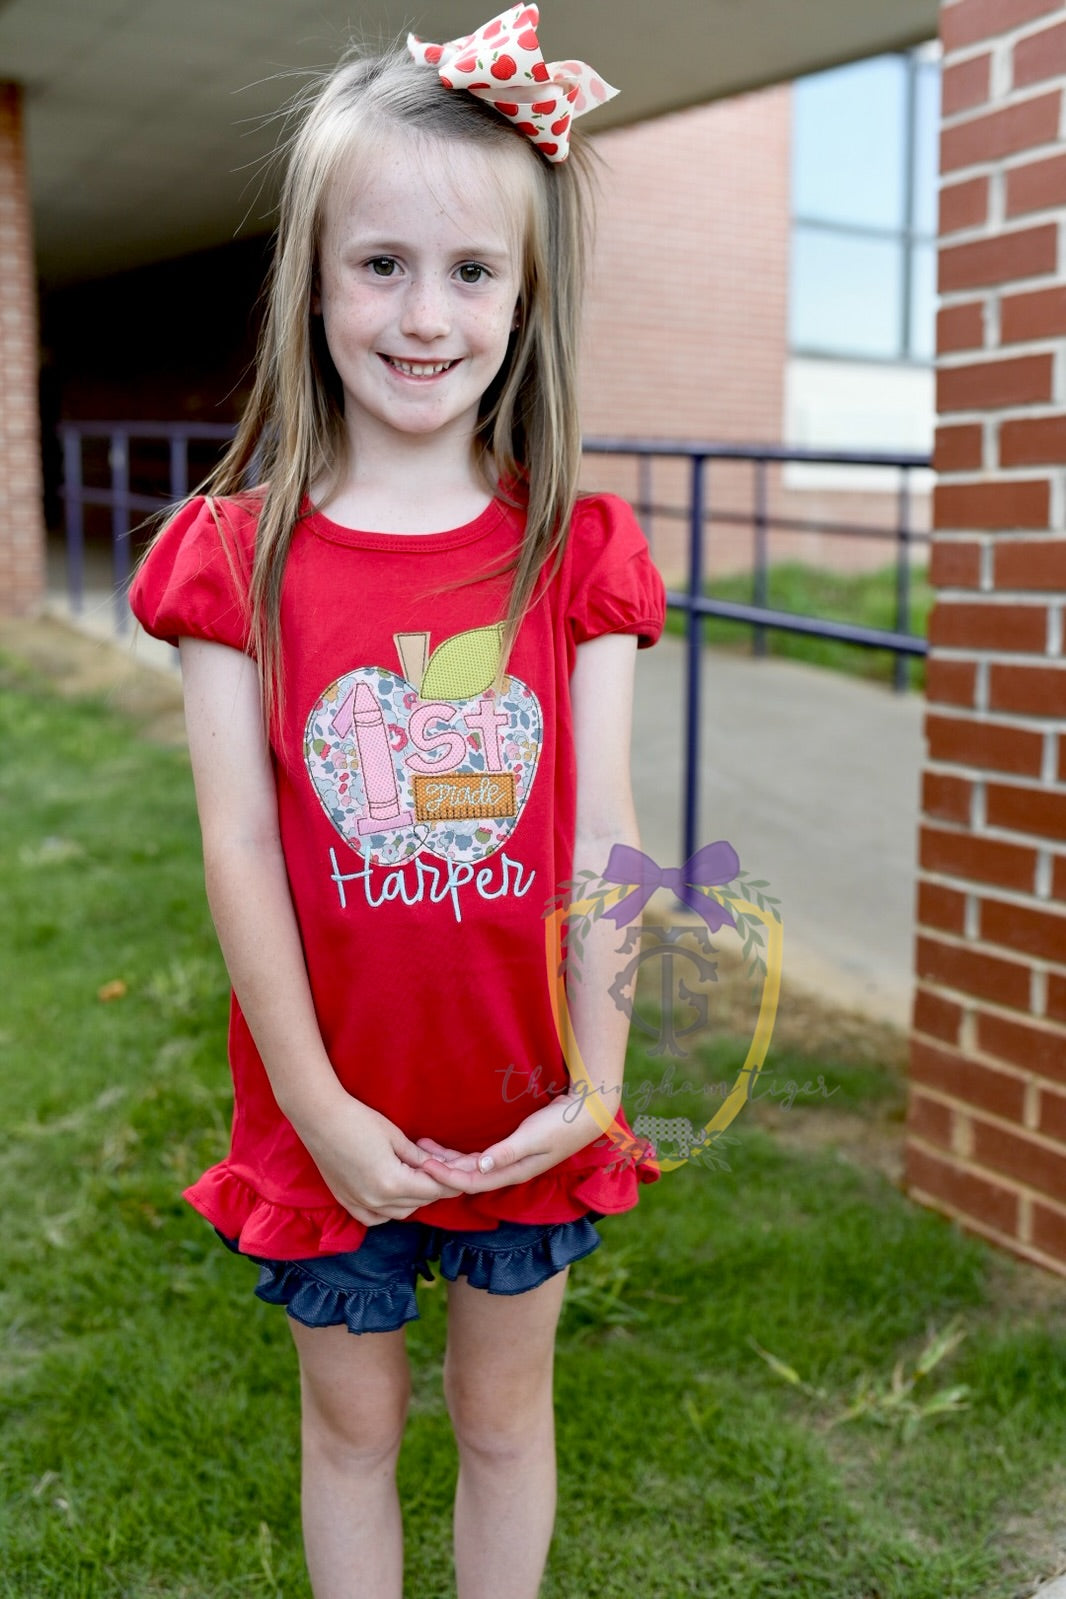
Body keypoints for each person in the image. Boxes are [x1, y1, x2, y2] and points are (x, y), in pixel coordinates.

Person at [130, 7, 666, 1596]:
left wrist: (597, 1086)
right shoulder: (232, 560)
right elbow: (236, 845)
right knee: (351, 1430)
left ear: (525, 295)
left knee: (503, 1423)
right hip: (325, 1114)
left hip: (530, 1096)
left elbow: (606, 835)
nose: (423, 314)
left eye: (470, 271)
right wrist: (316, 1108)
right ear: (311, 278)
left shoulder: (581, 551)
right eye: (379, 264)